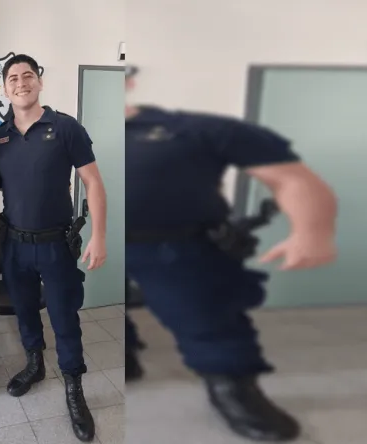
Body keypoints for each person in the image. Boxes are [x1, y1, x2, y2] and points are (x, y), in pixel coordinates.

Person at [124, 65, 338, 442]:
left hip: (176, 249)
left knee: (208, 320)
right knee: (107, 305)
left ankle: (232, 387)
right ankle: (124, 356)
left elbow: (291, 178)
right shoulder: (70, 133)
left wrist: (311, 231)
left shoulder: (195, 129)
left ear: (127, 81)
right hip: (100, 241)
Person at [0, 54, 108, 443]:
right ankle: (35, 364)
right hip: (14, 245)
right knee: (25, 312)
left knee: (64, 317)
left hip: (56, 244)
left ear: (39, 81)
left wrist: (99, 236)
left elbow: (93, 182)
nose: (20, 83)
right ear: (5, 88)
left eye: (27, 76)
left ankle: (74, 387)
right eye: (13, 78)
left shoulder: (66, 127)